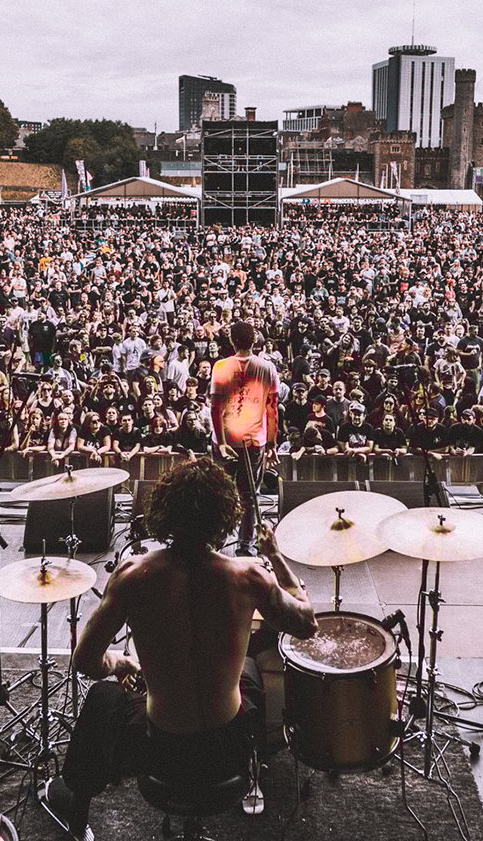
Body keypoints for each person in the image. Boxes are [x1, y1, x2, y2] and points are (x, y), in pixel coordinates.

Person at [47, 459, 317, 839]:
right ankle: (255, 770)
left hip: (161, 746)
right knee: (252, 672)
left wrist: (121, 661)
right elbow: (307, 624)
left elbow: (85, 661)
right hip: (227, 747)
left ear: (162, 513)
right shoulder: (250, 577)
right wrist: (276, 557)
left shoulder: (131, 576)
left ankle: (77, 807)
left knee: (103, 698)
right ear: (225, 516)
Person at [209, 321, 278, 553]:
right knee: (249, 496)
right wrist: (272, 443)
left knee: (221, 493)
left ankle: (216, 543)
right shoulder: (267, 367)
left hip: (227, 438)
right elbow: (272, 408)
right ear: (255, 340)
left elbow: (215, 408)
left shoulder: (220, 366)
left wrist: (221, 442)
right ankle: (245, 546)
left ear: (231, 340)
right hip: (253, 441)